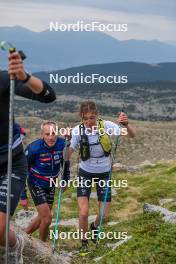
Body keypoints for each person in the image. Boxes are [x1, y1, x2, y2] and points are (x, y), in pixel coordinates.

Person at [0, 51, 56, 263]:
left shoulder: (3, 79)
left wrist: (24, 76)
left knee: (0, 230)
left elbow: (49, 95)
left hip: (10, 164)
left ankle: (16, 245)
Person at [68, 101, 135, 254]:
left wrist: (126, 124)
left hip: (104, 173)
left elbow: (132, 135)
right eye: (85, 119)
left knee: (104, 215)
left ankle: (95, 227)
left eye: (91, 118)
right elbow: (69, 153)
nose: (88, 122)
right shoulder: (78, 131)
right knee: (83, 213)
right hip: (85, 172)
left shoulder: (106, 126)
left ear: (97, 116)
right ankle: (84, 244)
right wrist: (65, 147)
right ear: (81, 118)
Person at [21, 121, 70, 241]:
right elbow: (22, 170)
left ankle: (22, 236)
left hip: (51, 183)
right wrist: (23, 195)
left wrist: (65, 180)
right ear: (42, 134)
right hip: (36, 183)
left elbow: (66, 163)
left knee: (43, 217)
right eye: (47, 134)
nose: (51, 137)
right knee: (47, 218)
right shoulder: (33, 148)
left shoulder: (63, 144)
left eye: (53, 133)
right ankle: (43, 246)